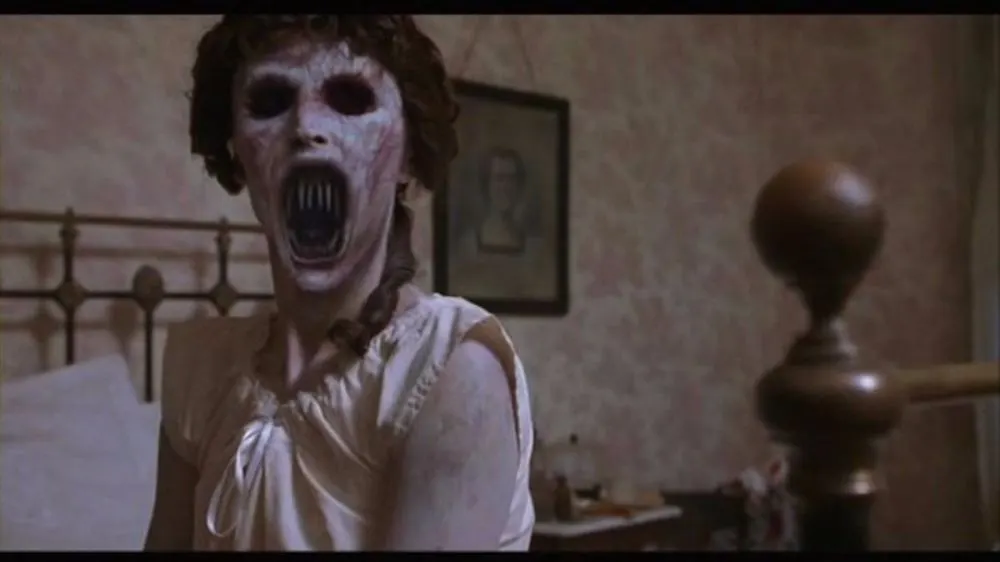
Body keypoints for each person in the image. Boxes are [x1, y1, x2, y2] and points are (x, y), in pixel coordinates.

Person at [143, 15, 535, 551]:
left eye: (350, 99)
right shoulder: (202, 371)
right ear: (236, 151)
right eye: (270, 101)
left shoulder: (449, 371)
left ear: (408, 155)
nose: (305, 126)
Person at [476, 147, 528, 255]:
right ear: (487, 185)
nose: (505, 187)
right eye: (499, 179)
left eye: (511, 179)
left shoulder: (531, 244)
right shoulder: (468, 243)